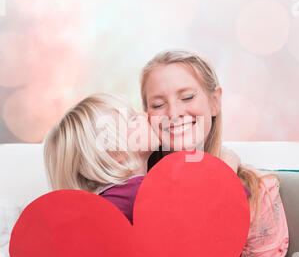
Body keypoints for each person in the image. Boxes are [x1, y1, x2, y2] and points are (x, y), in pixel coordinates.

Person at [140, 49, 289, 257]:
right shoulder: (135, 190)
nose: (174, 113)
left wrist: (223, 177)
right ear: (146, 116)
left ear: (215, 102)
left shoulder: (257, 191)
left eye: (187, 97)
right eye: (158, 104)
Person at [44, 92, 241, 226]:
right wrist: (228, 164)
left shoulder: (109, 199)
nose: (145, 115)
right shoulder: (138, 193)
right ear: (117, 154)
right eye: (132, 118)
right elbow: (207, 210)